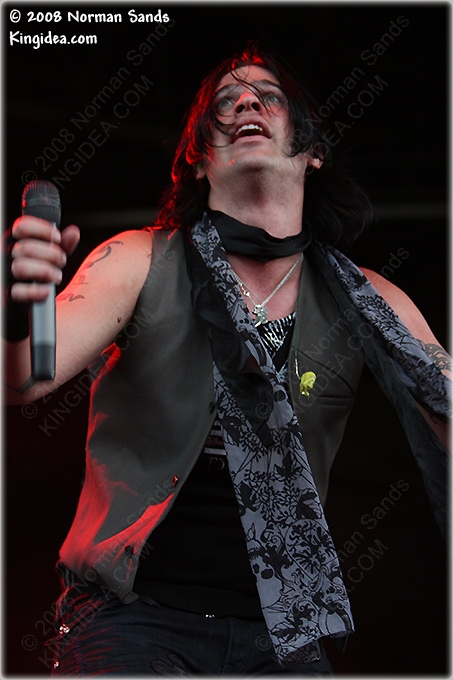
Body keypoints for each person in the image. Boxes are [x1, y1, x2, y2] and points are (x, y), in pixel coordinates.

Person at [4, 46, 450, 676]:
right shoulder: (137, 260)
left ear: (312, 151)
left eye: (270, 97)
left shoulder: (366, 298)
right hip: (133, 621)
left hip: (280, 639)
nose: (245, 101)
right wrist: (15, 304)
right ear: (199, 160)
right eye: (224, 102)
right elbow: (22, 378)